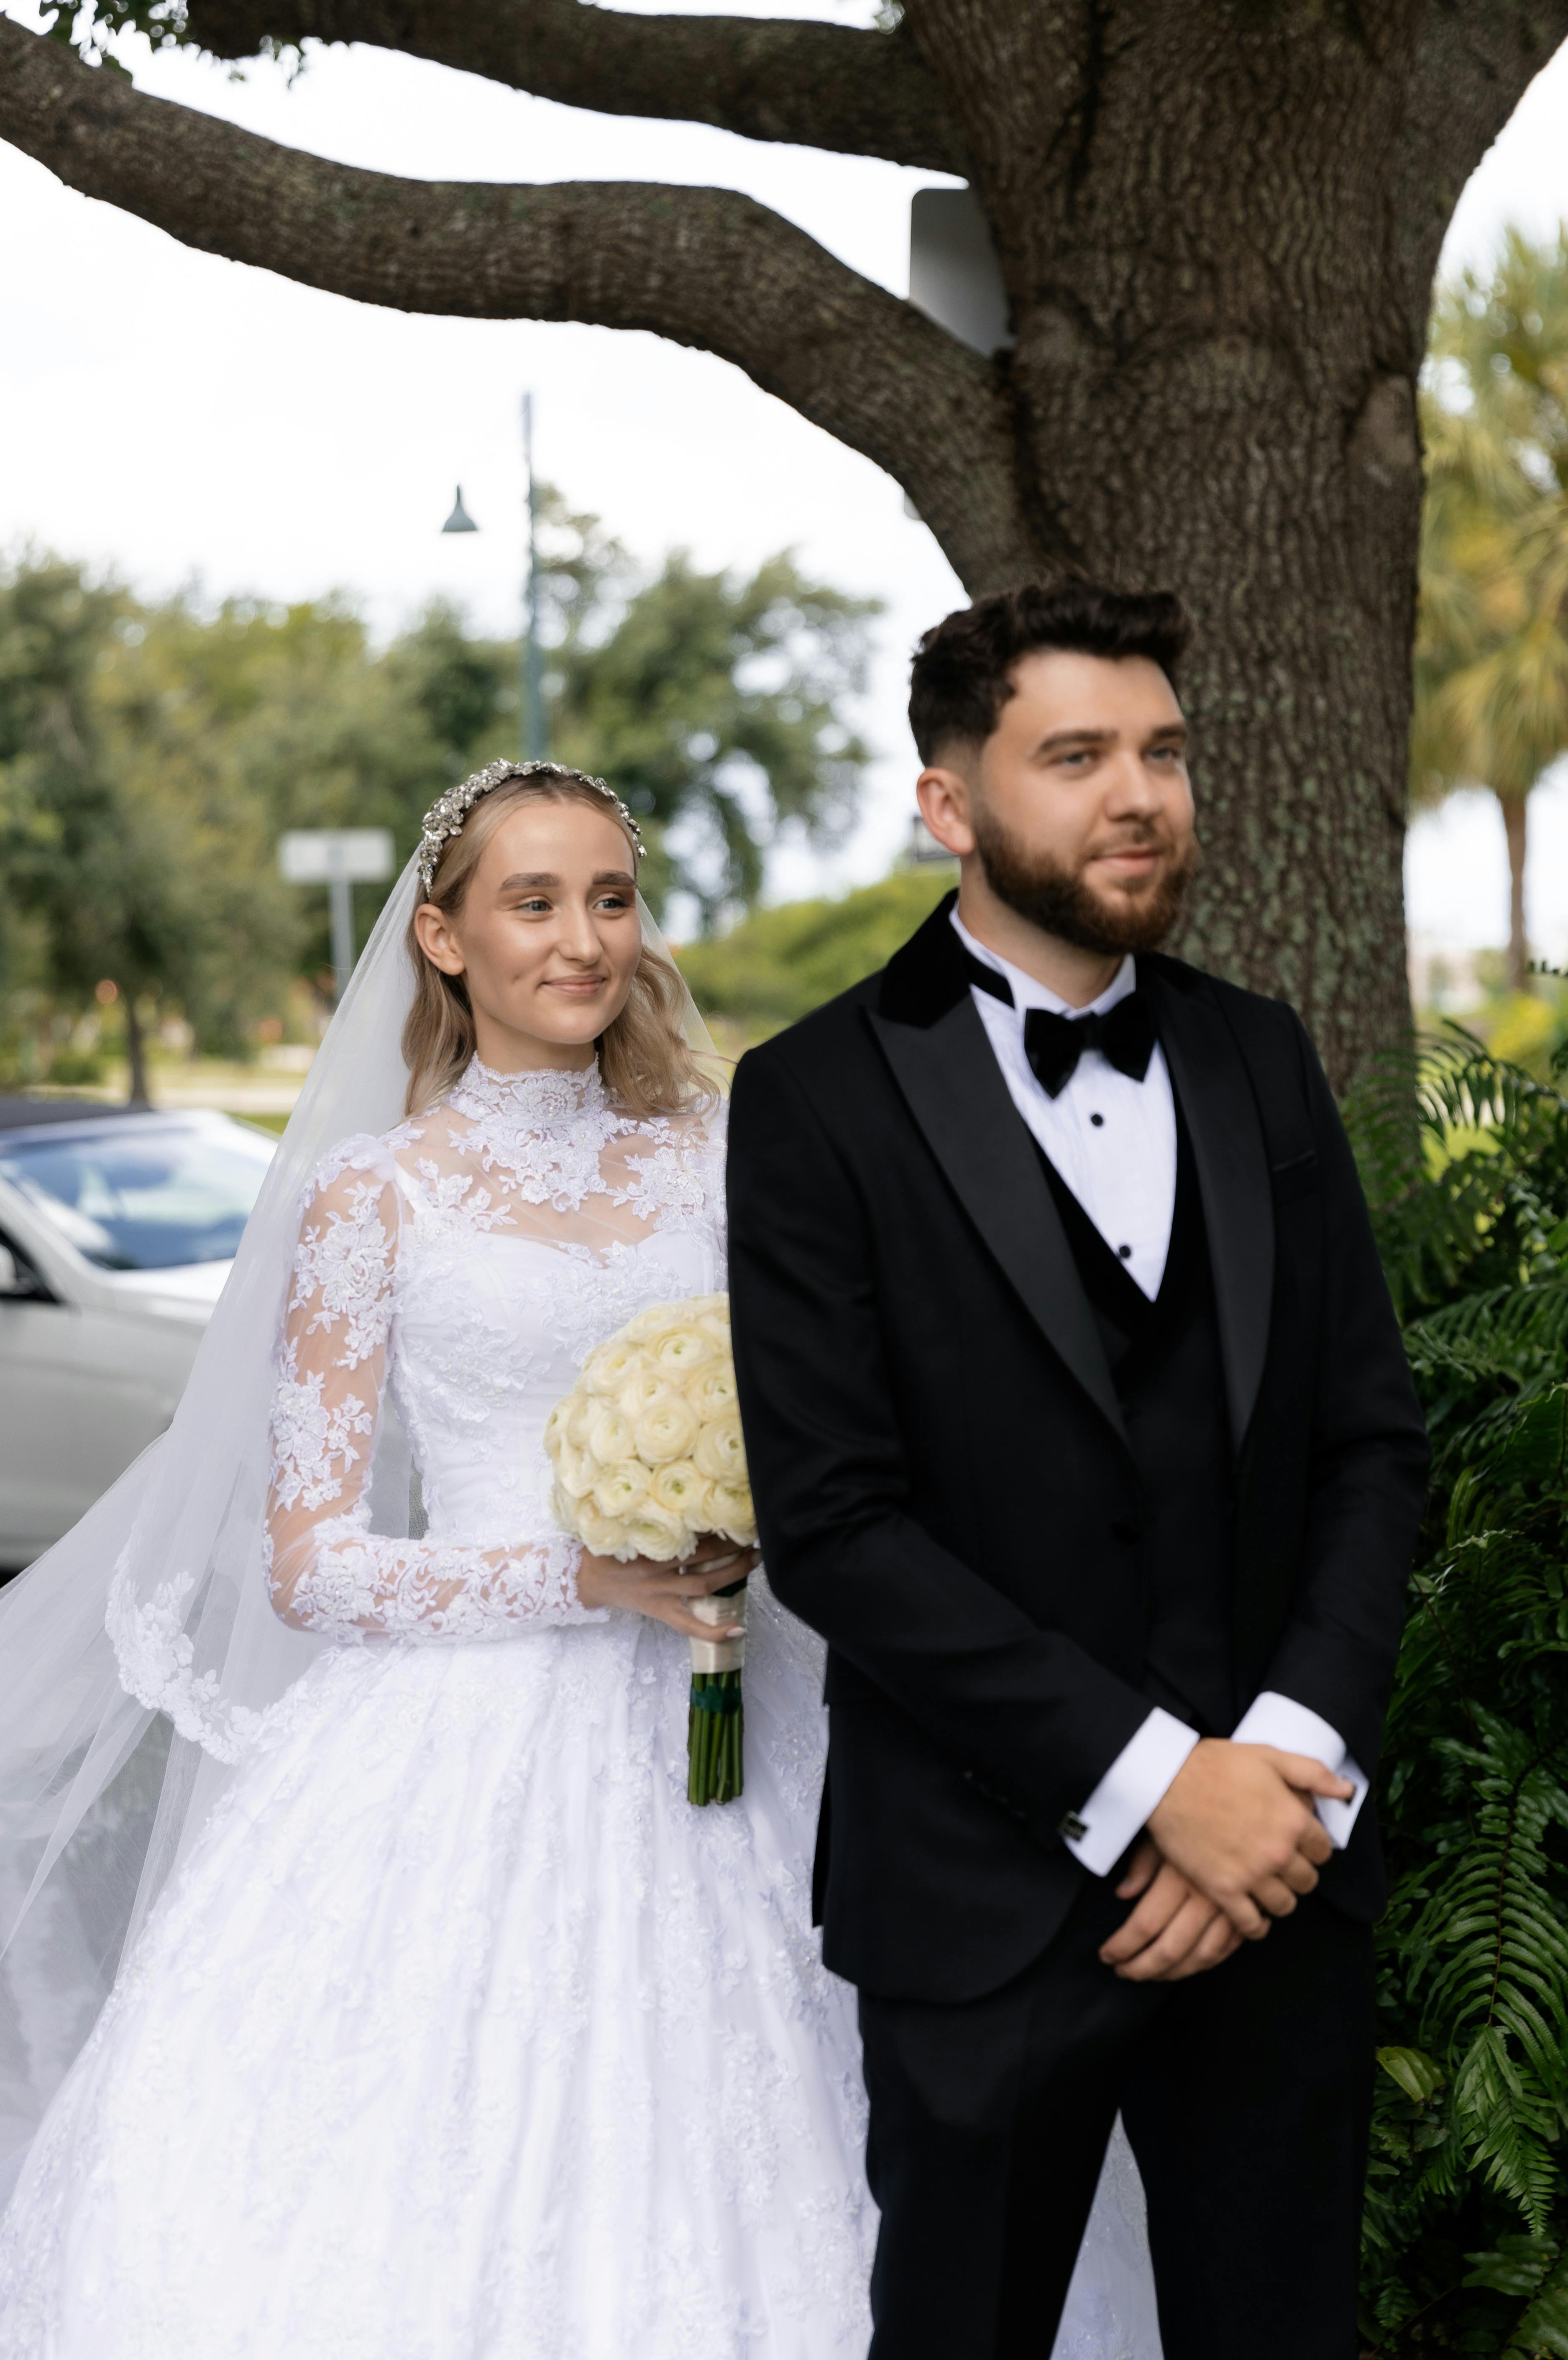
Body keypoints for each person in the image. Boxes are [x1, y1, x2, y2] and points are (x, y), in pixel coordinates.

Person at [0, 762, 875, 2356]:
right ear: (445, 937)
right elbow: (312, 1564)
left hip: (740, 1698)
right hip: (463, 1747)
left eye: (610, 898)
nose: (583, 939)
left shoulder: (722, 1157)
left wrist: (745, 1522)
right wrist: (584, 1577)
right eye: (533, 901)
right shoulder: (372, 1195)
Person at [726, 581, 1431, 2360]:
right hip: (982, 1901)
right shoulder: (813, 1096)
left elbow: (1363, 1441)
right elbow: (835, 1524)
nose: (1140, 795)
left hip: (1276, 1874)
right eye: (1076, 755)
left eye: (1163, 753)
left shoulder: (1257, 1054)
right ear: (947, 802)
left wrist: (1266, 1770)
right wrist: (1142, 1783)